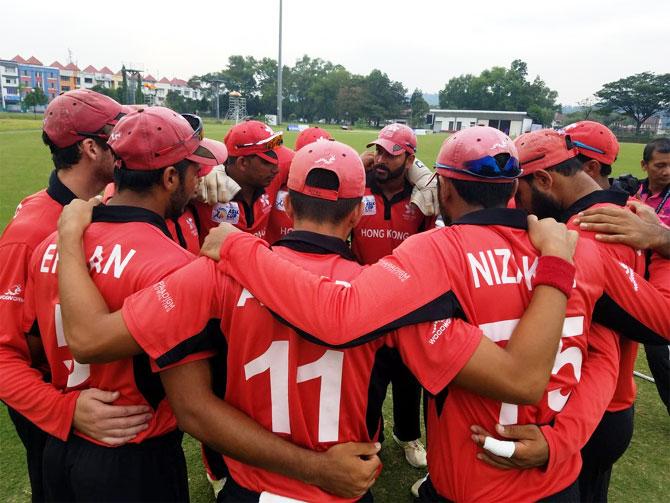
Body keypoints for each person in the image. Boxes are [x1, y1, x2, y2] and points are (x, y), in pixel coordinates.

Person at [57, 137, 581, 502]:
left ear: (286, 201)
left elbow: (98, 343)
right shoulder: (393, 297)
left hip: (250, 488)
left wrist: (72, 237)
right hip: (344, 488)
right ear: (358, 212)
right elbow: (515, 377)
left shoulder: (212, 273)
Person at [21, 106, 227, 501]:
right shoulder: (174, 266)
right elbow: (194, 405)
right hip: (134, 455)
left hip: (60, 444)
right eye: (192, 172)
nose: (199, 179)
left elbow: (30, 346)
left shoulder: (53, 244)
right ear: (170, 177)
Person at [510, 128, 670, 500]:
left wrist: (662, 241)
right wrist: (661, 240)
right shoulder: (627, 209)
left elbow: (657, 323)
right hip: (609, 406)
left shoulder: (589, 231)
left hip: (590, 410)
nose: (519, 203)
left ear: (546, 179)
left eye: (521, 193)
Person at [0, 89, 144, 501]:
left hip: (113, 418)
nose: (127, 143)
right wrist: (64, 411)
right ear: (90, 148)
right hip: (57, 418)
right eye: (117, 134)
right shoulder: (28, 234)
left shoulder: (110, 200)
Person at [353, 123, 436, 467]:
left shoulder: (424, 194)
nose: (381, 158)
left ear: (410, 158)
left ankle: (408, 436)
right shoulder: (357, 186)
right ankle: (369, 437)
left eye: (392, 153)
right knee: (367, 380)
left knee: (408, 378)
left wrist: (429, 179)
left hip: (408, 305)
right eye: (379, 150)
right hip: (365, 300)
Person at [193, 120, 289, 241]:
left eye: (275, 160)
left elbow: (309, 159)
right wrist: (195, 183)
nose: (276, 170)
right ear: (242, 163)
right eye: (266, 162)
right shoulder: (206, 190)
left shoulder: (267, 179)